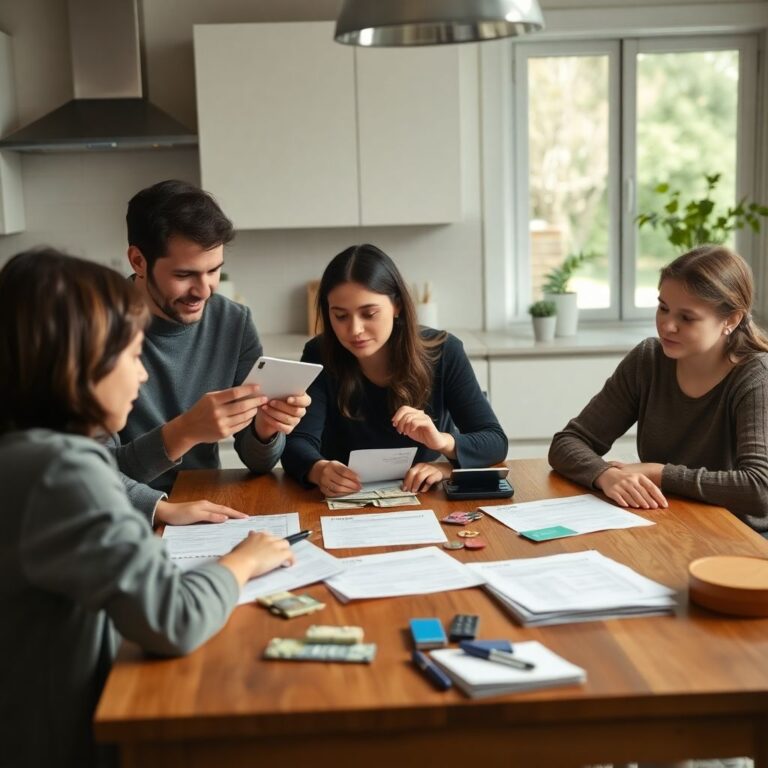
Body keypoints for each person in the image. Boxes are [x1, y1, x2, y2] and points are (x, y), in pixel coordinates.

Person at [0, 248, 295, 768]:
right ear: (81, 359)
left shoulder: (31, 450)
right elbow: (174, 618)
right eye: (134, 355)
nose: (141, 376)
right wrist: (244, 560)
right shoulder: (61, 471)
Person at [112, 179, 311, 523]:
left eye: (214, 270)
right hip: (124, 517)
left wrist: (265, 429)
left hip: (206, 507)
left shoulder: (233, 321)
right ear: (138, 261)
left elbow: (259, 461)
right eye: (184, 274)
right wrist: (185, 432)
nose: (203, 291)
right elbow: (85, 474)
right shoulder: (95, 330)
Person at [548, 244, 768, 532]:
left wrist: (659, 473)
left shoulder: (756, 377)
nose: (667, 325)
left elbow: (759, 488)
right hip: (665, 523)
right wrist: (604, 474)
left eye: (686, 317)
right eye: (663, 308)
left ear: (731, 319)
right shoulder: (648, 360)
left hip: (738, 539)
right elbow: (567, 443)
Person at [281, 243, 508, 495]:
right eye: (341, 316)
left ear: (397, 305)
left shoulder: (444, 351)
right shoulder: (319, 353)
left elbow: (494, 441)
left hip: (424, 496)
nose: (355, 329)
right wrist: (318, 469)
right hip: (346, 500)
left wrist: (444, 451)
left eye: (369, 313)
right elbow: (296, 443)